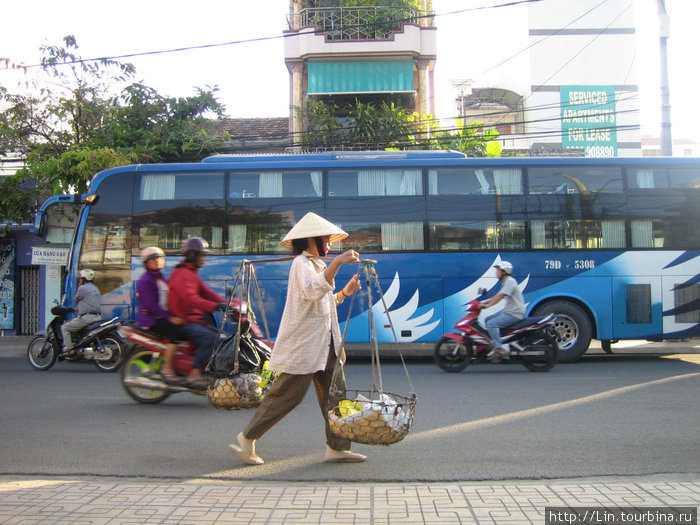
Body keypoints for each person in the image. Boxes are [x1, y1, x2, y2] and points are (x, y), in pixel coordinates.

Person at [229, 212, 365, 465]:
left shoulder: (317, 265)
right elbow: (313, 292)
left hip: (327, 345)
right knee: (287, 396)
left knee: (336, 397)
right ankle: (247, 438)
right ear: (313, 240)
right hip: (306, 347)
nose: (331, 244)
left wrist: (344, 293)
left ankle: (337, 447)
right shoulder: (300, 265)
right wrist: (338, 263)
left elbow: (323, 304)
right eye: (327, 239)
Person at [167, 237, 227, 389]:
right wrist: (215, 306)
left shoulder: (191, 273)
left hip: (195, 320)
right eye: (202, 255)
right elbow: (191, 299)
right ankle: (194, 373)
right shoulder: (182, 274)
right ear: (193, 255)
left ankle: (208, 369)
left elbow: (207, 293)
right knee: (212, 338)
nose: (204, 259)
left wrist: (228, 303)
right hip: (185, 321)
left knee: (223, 338)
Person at [136, 247, 187, 384]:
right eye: (154, 259)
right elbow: (151, 305)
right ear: (146, 262)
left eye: (160, 258)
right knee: (175, 332)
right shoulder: (146, 280)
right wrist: (170, 318)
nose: (158, 261)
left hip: (161, 316)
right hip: (152, 319)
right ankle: (167, 367)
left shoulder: (160, 277)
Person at [480, 261, 526, 362]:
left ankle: (499, 348)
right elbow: (497, 296)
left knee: (492, 324)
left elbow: (500, 297)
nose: (496, 272)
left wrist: (486, 306)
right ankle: (504, 344)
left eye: (498, 270)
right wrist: (482, 303)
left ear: (504, 272)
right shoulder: (506, 282)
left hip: (514, 314)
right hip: (509, 313)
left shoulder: (510, 282)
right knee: (488, 319)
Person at [60, 269, 102, 356]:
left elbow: (76, 299)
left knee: (65, 328)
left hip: (87, 318)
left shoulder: (82, 288)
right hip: (97, 317)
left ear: (84, 279)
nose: (79, 280)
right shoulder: (95, 288)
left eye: (81, 278)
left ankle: (69, 350)